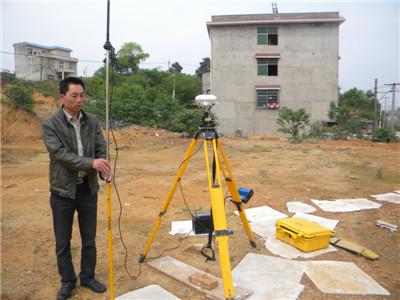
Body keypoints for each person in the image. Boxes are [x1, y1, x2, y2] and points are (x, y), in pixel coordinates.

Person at [42, 77, 111, 300]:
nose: (80, 100)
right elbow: (59, 154)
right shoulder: (50, 124)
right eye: (74, 95)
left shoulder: (91, 121)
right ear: (62, 97)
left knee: (89, 238)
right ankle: (68, 281)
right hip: (63, 191)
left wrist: (103, 167)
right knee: (63, 242)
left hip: (87, 189)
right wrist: (91, 163)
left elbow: (101, 147)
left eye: (82, 95)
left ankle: (88, 276)